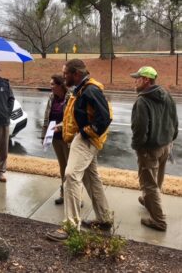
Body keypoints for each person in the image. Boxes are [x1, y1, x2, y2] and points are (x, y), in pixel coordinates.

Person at [46, 59, 113, 242]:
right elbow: (75, 118)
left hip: (86, 140)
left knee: (71, 176)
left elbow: (104, 119)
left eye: (66, 73)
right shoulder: (80, 90)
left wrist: (85, 133)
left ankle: (70, 226)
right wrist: (62, 127)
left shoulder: (90, 90)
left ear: (76, 73)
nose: (64, 76)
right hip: (83, 138)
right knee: (92, 180)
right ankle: (104, 219)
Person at [130, 66, 178, 231]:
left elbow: (140, 129)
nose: (134, 81)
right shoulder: (166, 94)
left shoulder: (142, 101)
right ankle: (148, 200)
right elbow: (174, 119)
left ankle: (158, 221)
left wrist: (138, 147)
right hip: (165, 145)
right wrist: (171, 139)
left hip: (150, 149)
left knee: (149, 183)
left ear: (146, 80)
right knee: (157, 178)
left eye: (137, 78)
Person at [41, 74, 71, 205]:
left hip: (67, 138)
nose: (50, 86)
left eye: (53, 84)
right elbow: (47, 117)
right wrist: (44, 135)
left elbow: (71, 118)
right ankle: (64, 194)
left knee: (71, 170)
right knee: (63, 167)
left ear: (60, 85)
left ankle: (76, 197)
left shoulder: (70, 98)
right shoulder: (51, 97)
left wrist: (61, 127)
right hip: (55, 138)